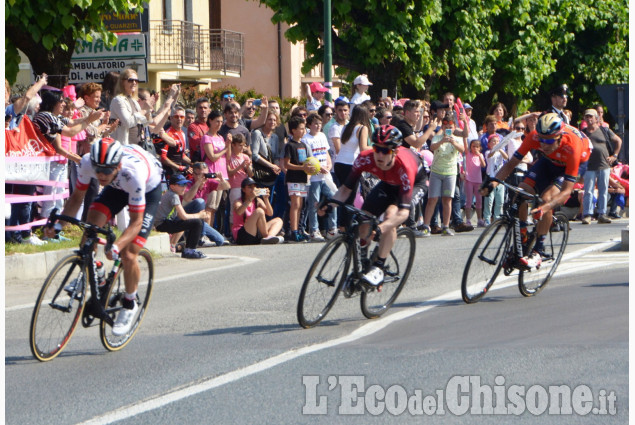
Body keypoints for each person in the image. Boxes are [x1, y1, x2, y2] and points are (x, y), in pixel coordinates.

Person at [45, 137, 164, 336]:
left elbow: (135, 222)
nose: (101, 175)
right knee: (91, 226)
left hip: (148, 189)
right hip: (116, 187)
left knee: (129, 253)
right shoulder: (87, 163)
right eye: (98, 169)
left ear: (117, 165)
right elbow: (76, 198)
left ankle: (130, 302)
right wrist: (59, 225)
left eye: (106, 170)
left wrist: (117, 246)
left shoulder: (133, 173)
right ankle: (92, 270)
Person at [319, 125, 427, 286]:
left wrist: (381, 229)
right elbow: (345, 189)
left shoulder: (405, 167)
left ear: (395, 152)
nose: (379, 154)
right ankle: (363, 265)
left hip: (414, 183)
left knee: (391, 216)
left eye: (385, 151)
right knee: (364, 218)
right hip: (388, 182)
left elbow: (403, 213)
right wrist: (330, 205)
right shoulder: (365, 158)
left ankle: (379, 267)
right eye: (377, 148)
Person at [482, 113, 590, 268]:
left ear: (559, 137)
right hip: (549, 161)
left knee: (546, 200)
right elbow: (511, 164)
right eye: (541, 139)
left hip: (573, 164)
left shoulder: (573, 146)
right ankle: (524, 240)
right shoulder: (534, 137)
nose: (543, 144)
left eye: (548, 140)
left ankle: (538, 250)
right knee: (520, 193)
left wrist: (544, 208)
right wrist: (493, 183)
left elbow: (566, 191)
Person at [420, 114, 466, 236]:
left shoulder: (457, 138)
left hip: (450, 173)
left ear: (454, 127)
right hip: (436, 172)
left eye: (450, 127)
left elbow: (462, 150)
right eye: (445, 126)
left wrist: (453, 141)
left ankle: (445, 226)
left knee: (447, 200)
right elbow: (432, 147)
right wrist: (442, 140)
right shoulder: (438, 136)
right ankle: (426, 226)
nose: (447, 129)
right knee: (432, 199)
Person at [109, 69, 179, 146]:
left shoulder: (133, 101)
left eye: (136, 80)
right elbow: (128, 122)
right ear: (122, 82)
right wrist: (144, 110)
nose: (134, 83)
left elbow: (146, 123)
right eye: (130, 80)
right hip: (124, 146)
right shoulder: (118, 100)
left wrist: (148, 109)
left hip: (137, 146)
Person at [580, 108, 622, 224]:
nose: (588, 119)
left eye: (591, 117)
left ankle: (601, 214)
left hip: (604, 164)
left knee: (603, 190)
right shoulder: (583, 133)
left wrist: (614, 155)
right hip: (589, 166)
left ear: (596, 118)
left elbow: (618, 141)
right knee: (588, 190)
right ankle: (587, 214)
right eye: (587, 117)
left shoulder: (604, 130)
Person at [154, 174, 209, 259]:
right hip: (162, 225)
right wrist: (199, 215)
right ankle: (190, 251)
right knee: (197, 223)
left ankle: (188, 249)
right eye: (181, 185)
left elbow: (180, 215)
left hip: (164, 223)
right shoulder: (173, 195)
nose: (184, 187)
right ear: (172, 186)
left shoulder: (171, 194)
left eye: (185, 184)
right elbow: (183, 216)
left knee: (193, 222)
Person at [301, 113, 338, 241]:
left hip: (325, 176)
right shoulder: (306, 139)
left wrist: (328, 164)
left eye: (319, 123)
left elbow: (326, 152)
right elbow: (307, 159)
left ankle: (332, 229)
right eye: (315, 123)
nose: (318, 126)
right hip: (314, 177)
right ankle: (314, 231)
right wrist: (318, 168)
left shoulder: (322, 136)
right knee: (314, 204)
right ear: (309, 125)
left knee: (334, 199)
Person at [284, 115, 315, 242]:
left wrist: (309, 169)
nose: (303, 131)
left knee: (300, 205)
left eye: (304, 128)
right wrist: (302, 168)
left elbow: (307, 162)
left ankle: (298, 229)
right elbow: (287, 164)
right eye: (300, 128)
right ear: (293, 130)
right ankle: (293, 231)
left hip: (302, 178)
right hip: (293, 178)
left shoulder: (303, 144)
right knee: (295, 204)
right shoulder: (289, 145)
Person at [232, 177, 284, 245]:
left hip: (255, 233)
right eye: (250, 187)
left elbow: (270, 213)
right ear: (243, 189)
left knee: (278, 220)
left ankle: (269, 237)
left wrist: (266, 199)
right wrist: (250, 199)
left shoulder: (258, 200)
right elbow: (239, 212)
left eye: (254, 187)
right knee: (259, 211)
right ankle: (266, 236)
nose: (253, 189)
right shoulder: (238, 202)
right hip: (242, 235)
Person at [201, 110, 230, 229]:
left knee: (215, 208)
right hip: (212, 174)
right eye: (217, 121)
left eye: (221, 121)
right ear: (210, 121)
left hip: (222, 174)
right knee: (209, 206)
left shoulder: (220, 137)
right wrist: (225, 149)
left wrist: (228, 145)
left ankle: (210, 232)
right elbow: (212, 157)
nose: (219, 124)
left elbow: (227, 157)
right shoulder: (206, 137)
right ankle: (204, 234)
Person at [160, 106, 192, 180]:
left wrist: (193, 163)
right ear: (171, 118)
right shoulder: (168, 134)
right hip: (169, 171)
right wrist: (179, 167)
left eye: (182, 117)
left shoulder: (183, 133)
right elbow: (163, 158)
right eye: (176, 117)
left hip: (179, 170)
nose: (179, 119)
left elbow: (181, 154)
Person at [482, 133, 508, 225]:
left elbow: (506, 157)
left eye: (497, 141)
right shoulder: (488, 152)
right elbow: (490, 156)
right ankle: (487, 218)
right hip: (490, 178)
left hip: (500, 179)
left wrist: (500, 148)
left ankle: (497, 217)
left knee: (500, 200)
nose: (496, 143)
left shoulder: (500, 152)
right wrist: (495, 148)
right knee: (489, 200)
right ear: (489, 143)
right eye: (494, 141)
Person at [464, 139, 486, 227]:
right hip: (469, 179)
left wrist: (479, 155)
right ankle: (468, 219)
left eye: (477, 147)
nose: (475, 148)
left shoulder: (480, 155)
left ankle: (479, 219)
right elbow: (465, 145)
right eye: (473, 146)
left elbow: (483, 165)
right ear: (470, 147)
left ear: (480, 148)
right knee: (469, 200)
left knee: (479, 200)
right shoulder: (468, 154)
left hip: (478, 180)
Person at [227, 133, 253, 205]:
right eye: (240, 145)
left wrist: (248, 167)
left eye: (243, 145)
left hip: (246, 187)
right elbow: (229, 172)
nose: (242, 148)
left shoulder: (245, 157)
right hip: (235, 187)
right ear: (233, 145)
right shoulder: (229, 157)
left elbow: (251, 174)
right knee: (234, 209)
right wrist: (240, 166)